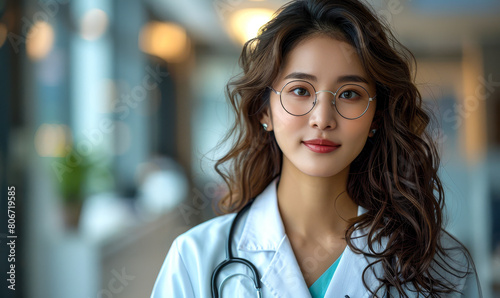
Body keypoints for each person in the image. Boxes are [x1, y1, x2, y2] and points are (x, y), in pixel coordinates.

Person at [152, 0, 481, 297]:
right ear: (265, 110)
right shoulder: (194, 258)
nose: (322, 118)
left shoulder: (442, 265)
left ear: (376, 117)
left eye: (349, 93)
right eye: (300, 90)